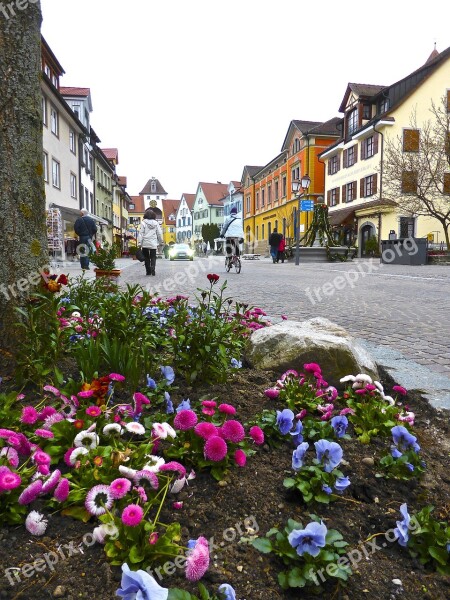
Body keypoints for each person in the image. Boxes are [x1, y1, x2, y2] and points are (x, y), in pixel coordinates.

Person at [137, 209, 163, 276]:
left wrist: (139, 243)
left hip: (145, 242)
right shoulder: (156, 223)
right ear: (153, 215)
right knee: (153, 257)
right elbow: (159, 233)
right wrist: (161, 241)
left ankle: (148, 271)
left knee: (146, 257)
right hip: (153, 243)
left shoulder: (143, 223)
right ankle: (153, 268)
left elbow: (141, 233)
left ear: (145, 215)